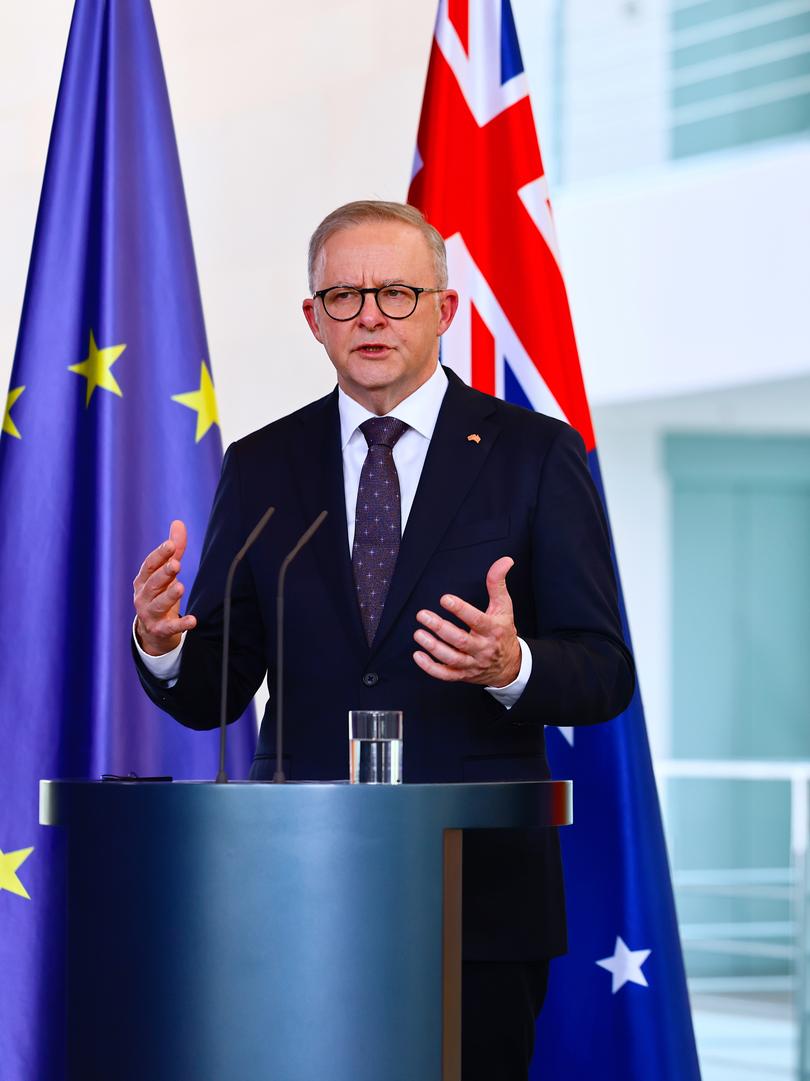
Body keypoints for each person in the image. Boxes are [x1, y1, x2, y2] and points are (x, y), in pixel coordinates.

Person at [132, 200, 634, 1080]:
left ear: (444, 310)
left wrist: (511, 665)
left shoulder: (534, 454)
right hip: (295, 884)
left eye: (397, 293)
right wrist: (163, 641)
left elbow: (603, 671)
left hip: (474, 899)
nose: (370, 314)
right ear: (312, 319)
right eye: (345, 295)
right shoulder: (261, 464)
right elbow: (218, 683)